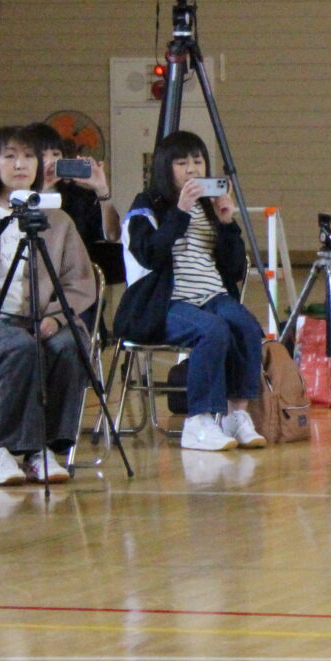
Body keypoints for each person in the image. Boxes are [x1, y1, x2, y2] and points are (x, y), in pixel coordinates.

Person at [0, 127, 99, 487]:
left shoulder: (59, 221)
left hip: (45, 319)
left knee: (68, 345)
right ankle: (6, 450)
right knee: (20, 348)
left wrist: (57, 318)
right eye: (10, 156)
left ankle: (45, 447)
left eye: (29, 156)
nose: (20, 164)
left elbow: (80, 282)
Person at [121, 131, 265, 452]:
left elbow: (234, 269)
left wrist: (227, 223)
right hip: (165, 303)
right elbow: (150, 254)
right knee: (212, 331)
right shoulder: (147, 206)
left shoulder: (209, 206)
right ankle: (197, 420)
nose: (192, 170)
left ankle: (234, 415)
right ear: (164, 167)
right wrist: (180, 212)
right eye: (182, 162)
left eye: (198, 161)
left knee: (246, 326)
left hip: (213, 294)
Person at [23, 123, 119, 259]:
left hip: (73, 275)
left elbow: (112, 236)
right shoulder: (18, 198)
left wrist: (102, 189)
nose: (50, 161)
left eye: (56, 154)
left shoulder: (80, 198)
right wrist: (42, 189)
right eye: (42, 155)